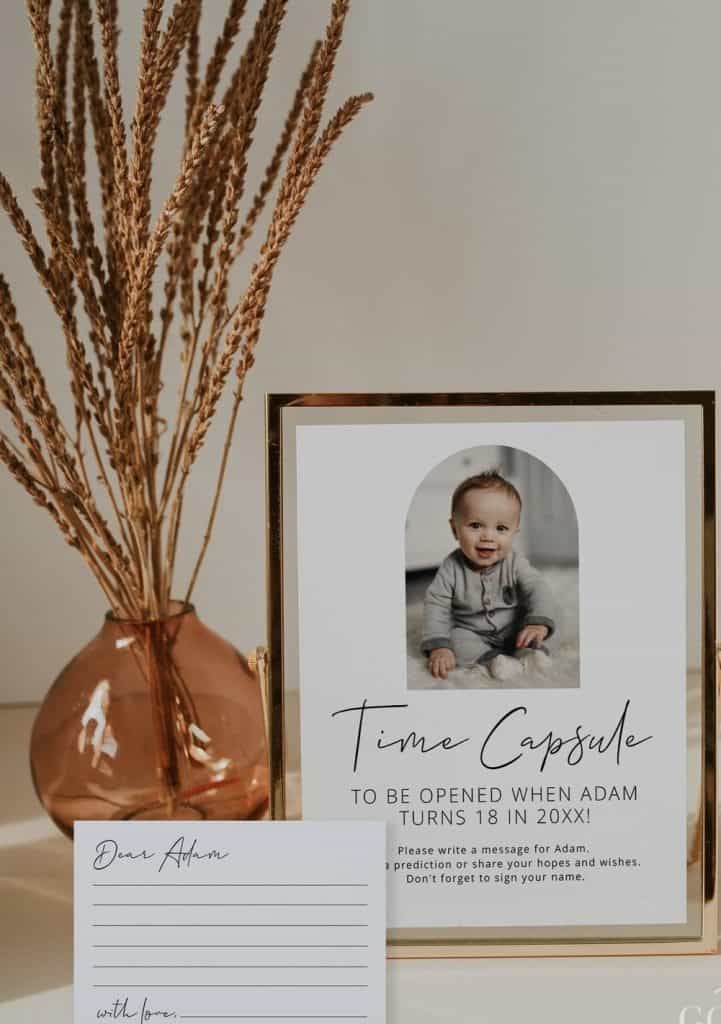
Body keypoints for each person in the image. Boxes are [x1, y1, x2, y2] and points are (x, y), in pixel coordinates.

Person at [422, 470, 557, 681]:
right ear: (455, 528)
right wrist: (439, 645)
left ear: (514, 533)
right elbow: (436, 604)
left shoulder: (515, 562)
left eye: (501, 528)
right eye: (475, 525)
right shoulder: (451, 568)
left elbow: (536, 587)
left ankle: (530, 655)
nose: (487, 536)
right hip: (472, 632)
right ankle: (493, 660)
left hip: (515, 629)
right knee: (456, 639)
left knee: (539, 634)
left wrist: (537, 623)